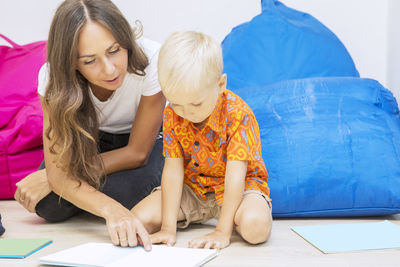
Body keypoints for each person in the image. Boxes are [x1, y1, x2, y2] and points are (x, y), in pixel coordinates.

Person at [13, 0, 166, 250]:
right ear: (72, 62)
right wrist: (112, 210)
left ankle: (88, 200)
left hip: (145, 143)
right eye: (89, 61)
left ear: (125, 39)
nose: (109, 69)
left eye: (114, 50)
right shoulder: (52, 78)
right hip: (94, 142)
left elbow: (137, 154)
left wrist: (59, 177)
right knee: (48, 206)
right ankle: (103, 203)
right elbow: (58, 167)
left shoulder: (152, 59)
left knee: (139, 184)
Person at [132, 31, 273, 250]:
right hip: (194, 189)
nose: (186, 112)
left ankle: (231, 220)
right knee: (137, 220)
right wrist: (168, 227)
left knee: (255, 228)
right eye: (177, 103)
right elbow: (172, 171)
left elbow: (236, 176)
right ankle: (189, 217)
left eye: (195, 104)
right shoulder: (172, 114)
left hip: (238, 188)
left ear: (220, 84)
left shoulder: (238, 114)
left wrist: (222, 232)